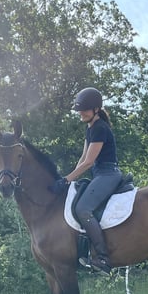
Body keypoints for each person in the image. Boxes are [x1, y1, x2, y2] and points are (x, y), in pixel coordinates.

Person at [51, 87, 121, 276]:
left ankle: (104, 258)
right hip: (99, 175)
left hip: (108, 174)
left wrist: (66, 179)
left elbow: (89, 161)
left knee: (83, 208)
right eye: (80, 110)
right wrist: (68, 179)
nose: (81, 113)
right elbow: (83, 159)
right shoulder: (90, 128)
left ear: (96, 109)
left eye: (85, 110)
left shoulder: (99, 128)